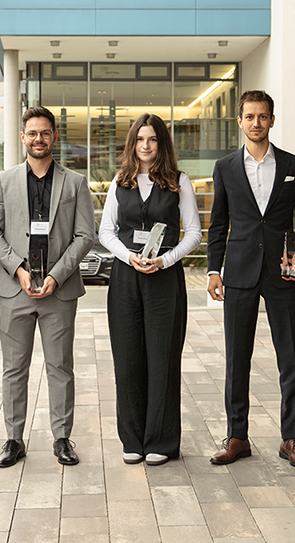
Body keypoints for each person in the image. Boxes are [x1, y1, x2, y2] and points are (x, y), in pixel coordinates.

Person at [206, 90, 295, 469]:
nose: (256, 123)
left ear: (272, 120)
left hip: (284, 272)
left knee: (291, 359)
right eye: (249, 116)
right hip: (238, 272)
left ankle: (291, 439)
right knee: (237, 359)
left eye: (263, 116)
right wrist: (213, 269)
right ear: (240, 121)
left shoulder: (293, 165)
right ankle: (237, 436)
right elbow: (218, 223)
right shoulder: (225, 167)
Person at [0, 106, 95, 467]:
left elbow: (84, 235)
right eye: (32, 133)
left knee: (60, 366)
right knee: (14, 368)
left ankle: (62, 438)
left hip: (57, 290)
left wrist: (55, 275)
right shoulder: (4, 180)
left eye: (45, 133)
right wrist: (17, 269)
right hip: (15, 288)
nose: (38, 139)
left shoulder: (74, 183)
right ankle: (13, 439)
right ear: (22, 137)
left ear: (54, 137)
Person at [98, 113, 202, 466]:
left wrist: (166, 260)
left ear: (162, 143)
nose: (146, 145)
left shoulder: (179, 181)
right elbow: (105, 232)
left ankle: (162, 440)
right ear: (132, 143)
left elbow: (194, 233)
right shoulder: (120, 182)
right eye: (140, 139)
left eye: (153, 139)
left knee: (162, 361)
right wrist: (129, 257)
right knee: (127, 361)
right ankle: (132, 439)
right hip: (126, 280)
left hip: (164, 281)